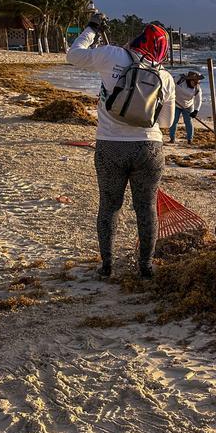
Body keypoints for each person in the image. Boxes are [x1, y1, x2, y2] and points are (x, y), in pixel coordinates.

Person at [66, 15, 175, 280]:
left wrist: (92, 29)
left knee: (110, 206)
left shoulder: (112, 55)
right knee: (146, 207)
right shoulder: (166, 77)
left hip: (110, 145)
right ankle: (146, 266)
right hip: (149, 148)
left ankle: (107, 266)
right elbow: (167, 122)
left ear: (138, 38)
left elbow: (74, 55)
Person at [170, 70, 204, 144]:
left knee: (188, 122)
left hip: (188, 105)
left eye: (197, 82)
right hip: (176, 104)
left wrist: (196, 111)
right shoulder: (179, 79)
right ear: (189, 79)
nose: (196, 84)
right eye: (194, 82)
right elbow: (169, 82)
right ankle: (172, 138)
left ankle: (189, 139)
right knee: (174, 121)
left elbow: (199, 100)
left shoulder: (197, 88)